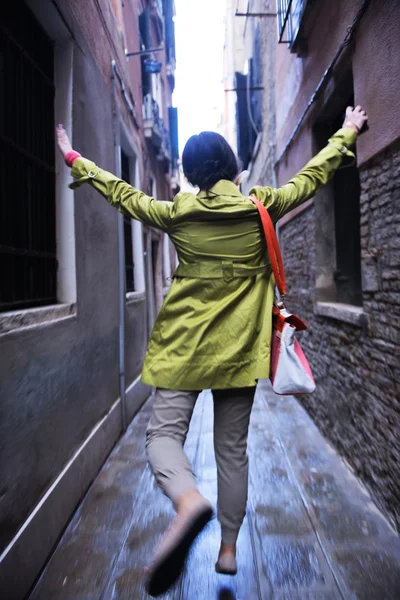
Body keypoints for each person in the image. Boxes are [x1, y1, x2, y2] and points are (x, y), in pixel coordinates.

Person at [56, 105, 368, 596]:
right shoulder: (259, 207)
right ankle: (227, 550)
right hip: (237, 355)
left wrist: (76, 158)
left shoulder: (179, 213)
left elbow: (125, 195)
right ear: (233, 168)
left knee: (162, 438)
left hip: (181, 351)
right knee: (232, 454)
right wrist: (346, 132)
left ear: (188, 174)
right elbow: (311, 178)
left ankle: (187, 501)